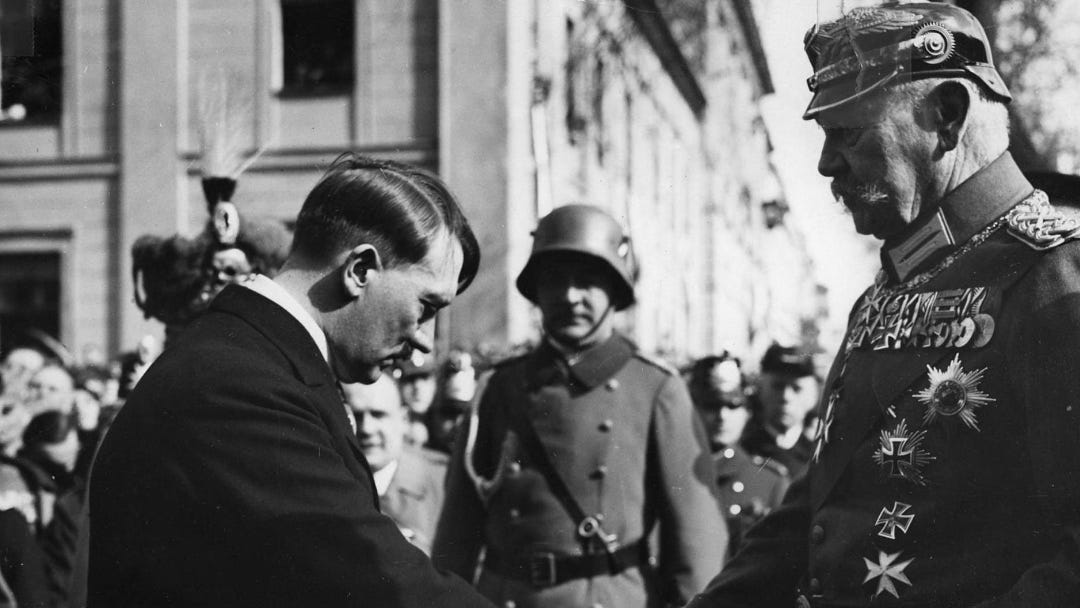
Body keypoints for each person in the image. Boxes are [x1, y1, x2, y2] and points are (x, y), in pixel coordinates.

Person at [688, 3, 1080, 606]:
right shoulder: (889, 288)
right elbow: (820, 502)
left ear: (946, 116)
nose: (825, 163)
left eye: (849, 133)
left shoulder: (1054, 278)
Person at [88, 154, 495, 607]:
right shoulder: (238, 384)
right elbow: (373, 580)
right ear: (359, 270)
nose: (425, 341)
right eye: (427, 307)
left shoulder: (251, 360)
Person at [433, 204, 727, 608]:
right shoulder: (498, 387)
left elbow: (697, 544)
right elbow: (457, 533)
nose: (569, 297)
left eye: (587, 281)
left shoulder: (655, 388)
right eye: (554, 281)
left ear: (615, 292)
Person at [689, 354, 789, 557]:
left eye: (733, 406)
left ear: (748, 412)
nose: (722, 417)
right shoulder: (673, 474)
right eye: (711, 406)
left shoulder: (770, 481)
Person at [341, 374, 448, 556]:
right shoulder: (327, 479)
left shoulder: (443, 481)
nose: (367, 428)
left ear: (404, 419)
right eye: (356, 416)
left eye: (378, 414)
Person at [740, 344, 819, 477]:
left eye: (797, 388)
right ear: (761, 388)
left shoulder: (820, 456)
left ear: (813, 395)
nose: (785, 397)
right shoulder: (743, 450)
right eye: (777, 386)